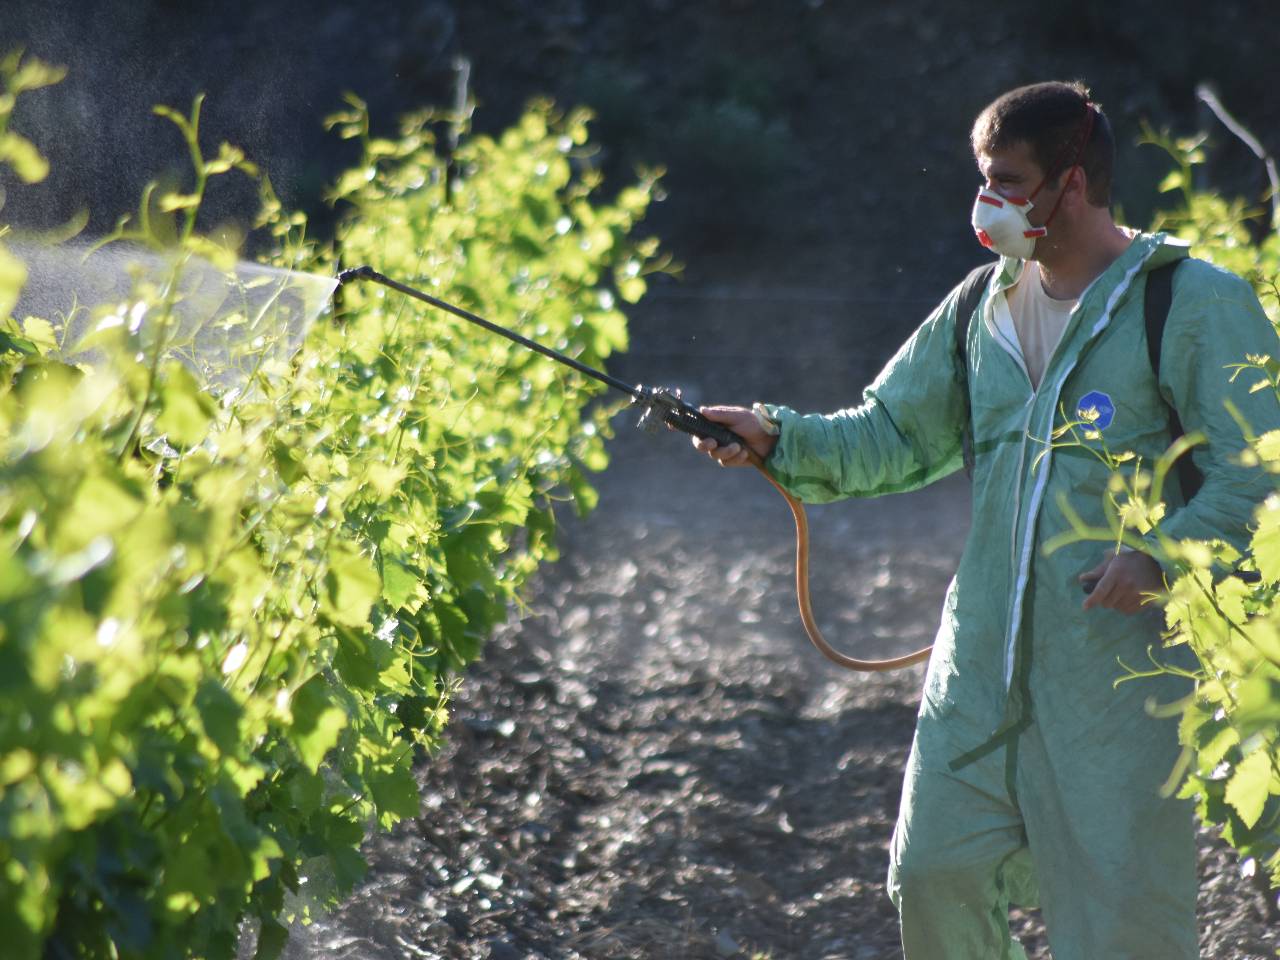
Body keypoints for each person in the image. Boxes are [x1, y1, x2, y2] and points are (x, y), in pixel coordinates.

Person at [691, 80, 1279, 959]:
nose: (987, 200)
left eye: (1007, 179)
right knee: (932, 875)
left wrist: (1161, 556)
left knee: (1123, 927)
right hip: (978, 675)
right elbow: (891, 433)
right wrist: (776, 435)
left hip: (1120, 685)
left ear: (1071, 184)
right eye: (983, 177)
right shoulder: (980, 307)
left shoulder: (1190, 304)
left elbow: (1260, 474)